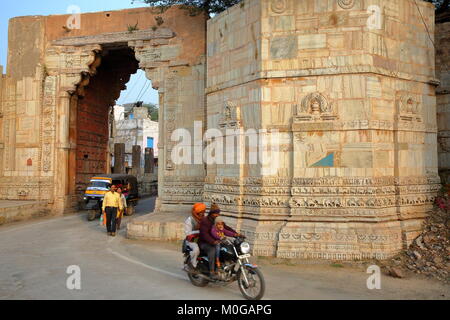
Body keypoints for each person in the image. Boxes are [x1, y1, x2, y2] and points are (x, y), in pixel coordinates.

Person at [199, 204, 241, 277]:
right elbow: (204, 234)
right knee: (212, 250)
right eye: (215, 213)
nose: (217, 215)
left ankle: (229, 268)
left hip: (218, 241)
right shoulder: (205, 221)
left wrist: (236, 234)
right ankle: (212, 271)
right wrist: (213, 241)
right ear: (211, 213)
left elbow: (226, 229)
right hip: (205, 243)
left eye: (218, 213)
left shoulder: (218, 220)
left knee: (230, 249)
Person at [184, 203, 206, 273]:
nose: (202, 214)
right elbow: (188, 233)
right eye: (201, 212)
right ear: (196, 212)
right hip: (192, 240)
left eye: (203, 212)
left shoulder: (204, 219)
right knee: (196, 250)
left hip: (202, 239)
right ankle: (191, 265)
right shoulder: (189, 220)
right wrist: (198, 231)